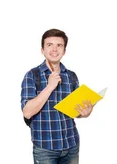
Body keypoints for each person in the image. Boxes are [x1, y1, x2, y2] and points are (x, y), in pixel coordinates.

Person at [20, 28, 94, 164]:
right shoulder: (32, 75)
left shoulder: (71, 76)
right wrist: (50, 86)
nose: (55, 49)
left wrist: (85, 113)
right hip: (45, 148)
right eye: (49, 45)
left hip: (71, 144)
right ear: (42, 50)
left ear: (64, 51)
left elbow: (74, 111)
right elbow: (27, 112)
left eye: (59, 45)